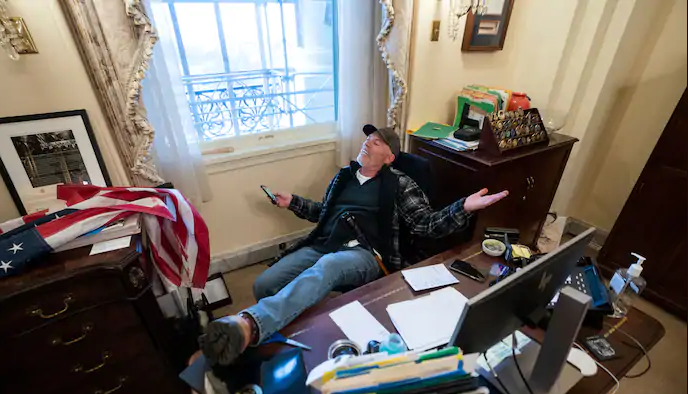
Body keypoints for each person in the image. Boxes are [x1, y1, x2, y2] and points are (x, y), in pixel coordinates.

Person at [200, 124, 509, 366]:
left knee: (328, 268)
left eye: (377, 141)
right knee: (264, 284)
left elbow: (425, 225)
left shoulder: (399, 183)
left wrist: (463, 207)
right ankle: (288, 336)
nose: (368, 142)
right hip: (324, 244)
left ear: (390, 157)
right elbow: (324, 213)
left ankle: (247, 325)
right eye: (367, 138)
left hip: (365, 254)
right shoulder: (345, 176)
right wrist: (293, 202)